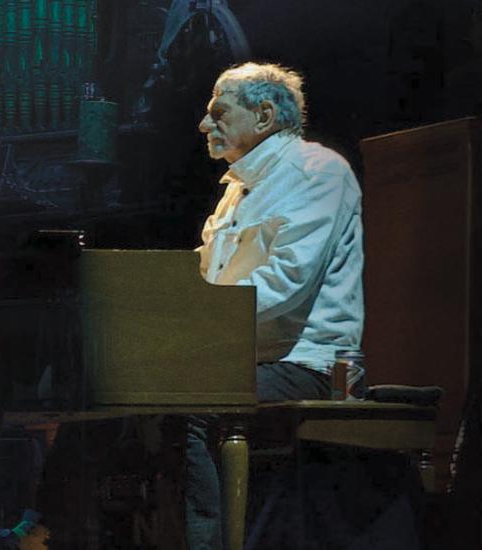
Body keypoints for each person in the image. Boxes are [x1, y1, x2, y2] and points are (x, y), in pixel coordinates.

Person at [185, 61, 364, 549]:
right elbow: (205, 279)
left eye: (218, 113)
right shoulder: (233, 195)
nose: (205, 126)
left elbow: (286, 282)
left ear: (263, 116)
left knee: (190, 402)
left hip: (307, 364)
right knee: (119, 396)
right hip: (241, 359)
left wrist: (191, 328)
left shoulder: (319, 171)